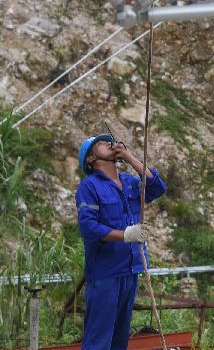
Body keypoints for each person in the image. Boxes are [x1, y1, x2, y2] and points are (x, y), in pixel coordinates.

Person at [75, 134, 167, 349]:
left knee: (119, 341)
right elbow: (89, 228)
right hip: (105, 273)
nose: (108, 143)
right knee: (99, 340)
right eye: (100, 143)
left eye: (109, 141)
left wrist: (129, 156)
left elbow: (157, 187)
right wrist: (126, 234)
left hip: (129, 270)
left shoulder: (128, 182)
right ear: (90, 159)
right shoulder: (89, 187)